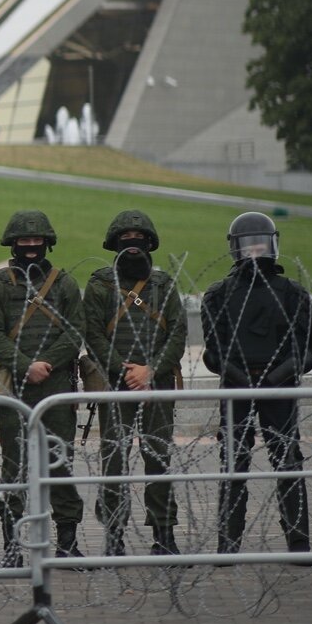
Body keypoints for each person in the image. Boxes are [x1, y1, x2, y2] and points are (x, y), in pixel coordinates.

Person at [0, 210, 86, 563]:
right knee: (15, 467)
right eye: (24, 241)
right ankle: (12, 546)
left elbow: (75, 332)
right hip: (16, 387)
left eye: (36, 241)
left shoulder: (65, 284)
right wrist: (25, 365)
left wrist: (47, 364)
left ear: (47, 242)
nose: (30, 246)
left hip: (56, 385)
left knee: (60, 464)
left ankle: (67, 542)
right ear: (12, 243)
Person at [201, 211, 312, 556]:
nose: (254, 252)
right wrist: (243, 377)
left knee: (288, 459)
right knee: (234, 462)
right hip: (238, 385)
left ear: (272, 245)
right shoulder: (219, 294)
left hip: (279, 385)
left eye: (260, 245)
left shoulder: (293, 293)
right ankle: (228, 542)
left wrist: (273, 377)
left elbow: (305, 351)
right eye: (248, 247)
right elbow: (213, 353)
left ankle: (299, 541)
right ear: (236, 249)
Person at [82, 209, 186, 556]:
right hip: (115, 384)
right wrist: (122, 368)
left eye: (139, 239)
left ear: (150, 243)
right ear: (114, 244)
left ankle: (164, 533)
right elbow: (92, 332)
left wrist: (151, 370)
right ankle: (114, 535)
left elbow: (177, 334)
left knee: (158, 458)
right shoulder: (99, 285)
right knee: (114, 460)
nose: (133, 245)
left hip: (155, 384)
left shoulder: (164, 286)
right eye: (125, 239)